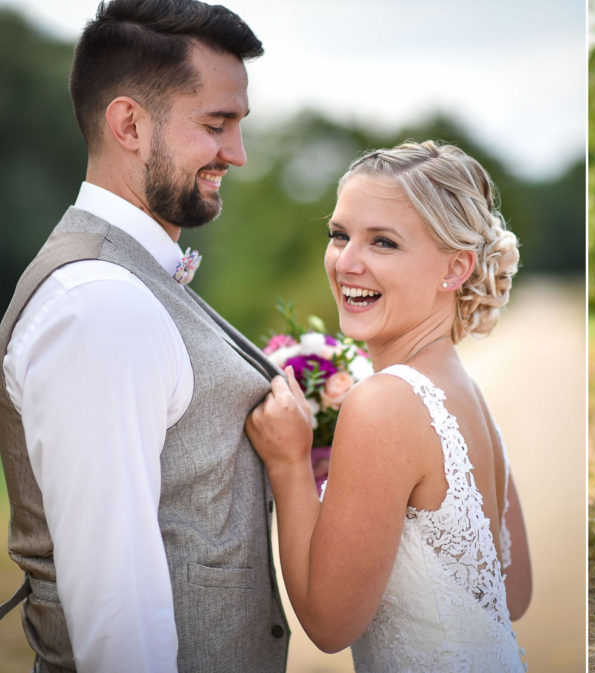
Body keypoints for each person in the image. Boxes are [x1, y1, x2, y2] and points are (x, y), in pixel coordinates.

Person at [0, 1, 290, 671]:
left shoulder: (131, 281)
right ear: (129, 123)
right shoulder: (98, 305)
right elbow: (116, 613)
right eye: (217, 125)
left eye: (239, 126)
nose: (237, 155)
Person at [245, 141, 532, 671]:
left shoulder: (383, 403)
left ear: (455, 268)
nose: (346, 262)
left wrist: (289, 463)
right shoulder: (465, 394)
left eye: (383, 242)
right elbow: (512, 596)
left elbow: (330, 626)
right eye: (339, 235)